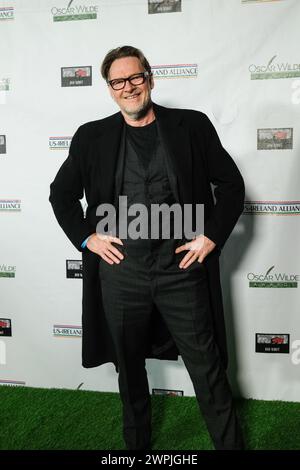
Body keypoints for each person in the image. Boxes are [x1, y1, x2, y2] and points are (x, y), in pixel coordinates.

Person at [49, 45, 245, 451]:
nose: (128, 87)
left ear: (150, 78)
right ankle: (136, 450)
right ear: (109, 89)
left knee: (207, 369)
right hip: (122, 271)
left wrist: (210, 236)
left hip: (181, 267)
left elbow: (231, 185)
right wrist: (88, 239)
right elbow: (61, 195)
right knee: (130, 369)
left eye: (135, 77)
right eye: (118, 81)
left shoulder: (191, 126)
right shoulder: (91, 137)